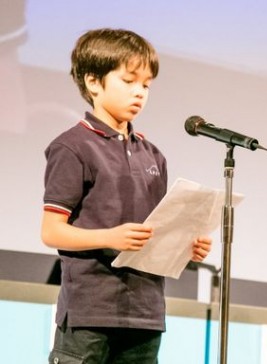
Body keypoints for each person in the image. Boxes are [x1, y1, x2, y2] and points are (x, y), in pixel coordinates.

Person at [41, 28, 212, 363]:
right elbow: (51, 231)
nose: (140, 93)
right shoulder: (73, 147)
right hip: (90, 314)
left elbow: (157, 233)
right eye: (129, 81)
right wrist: (110, 237)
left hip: (146, 314)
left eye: (146, 85)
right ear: (93, 82)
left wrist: (187, 249)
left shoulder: (152, 154)